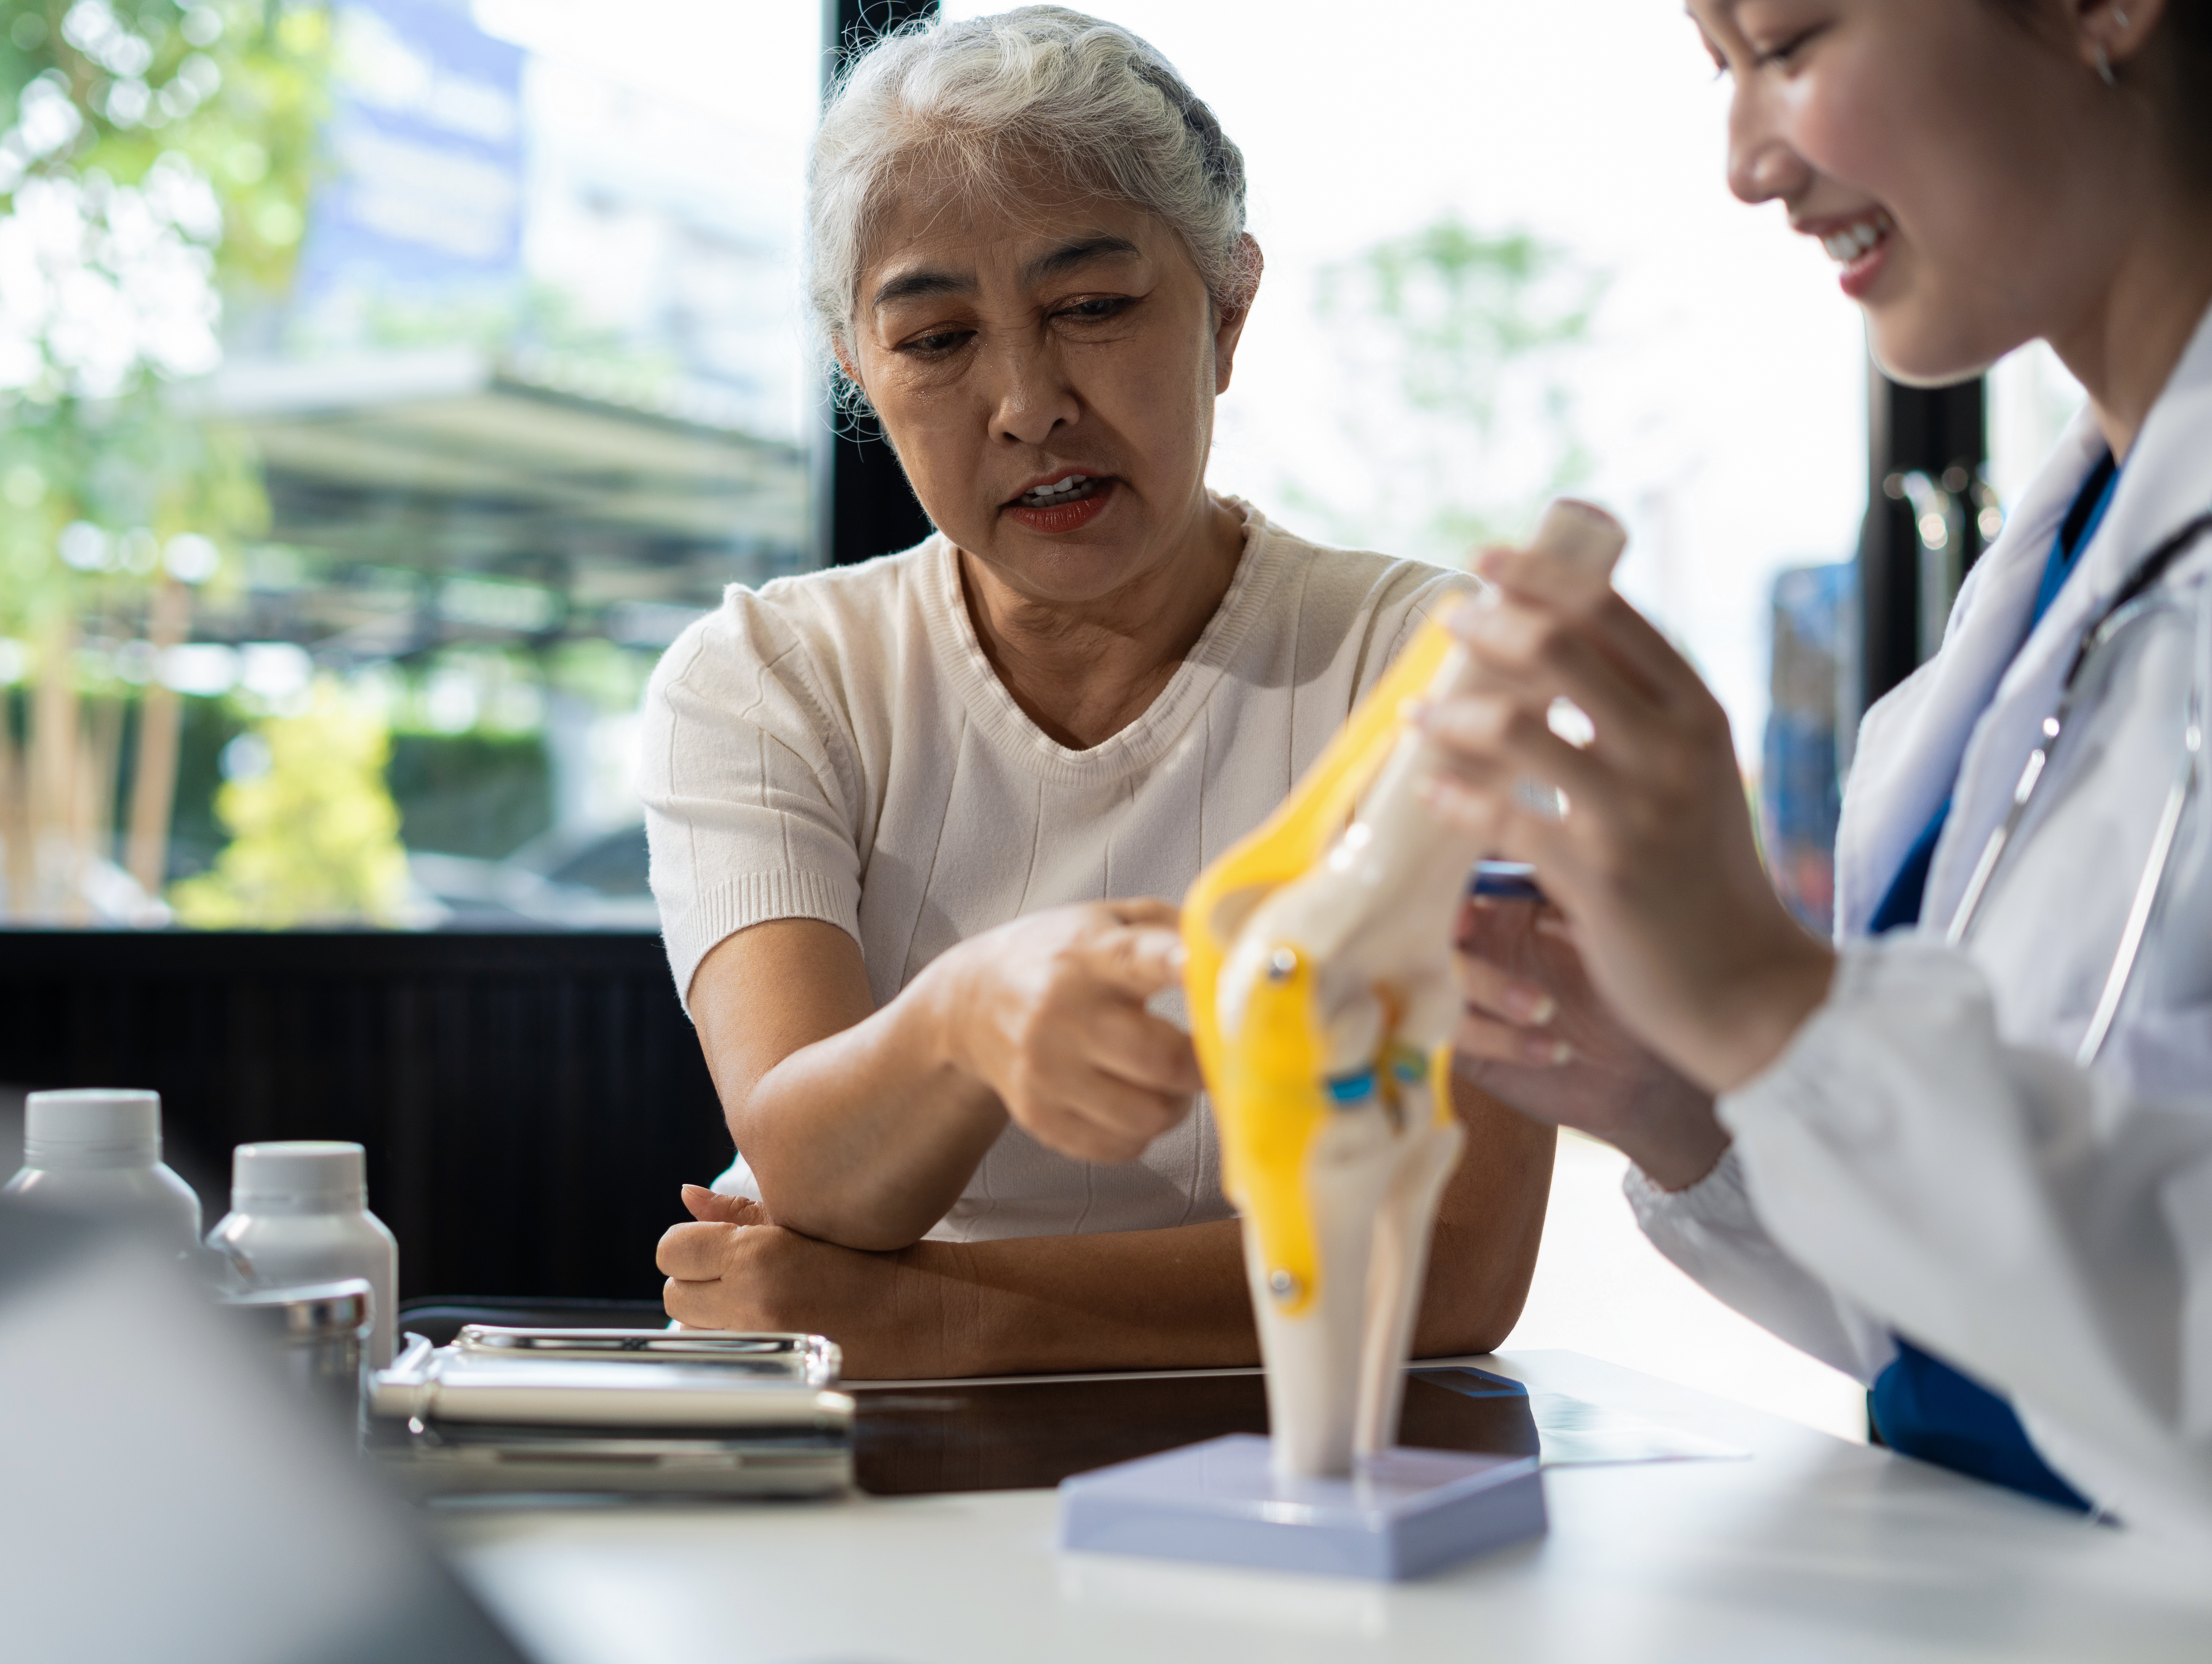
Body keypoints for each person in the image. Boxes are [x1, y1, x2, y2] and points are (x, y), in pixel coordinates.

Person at [639, 7, 1554, 1378]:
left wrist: (927, 1311)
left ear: (1228, 308)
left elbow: (1448, 1262)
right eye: (935, 338)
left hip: (1311, 1457)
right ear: (858, 371)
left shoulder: (1421, 664)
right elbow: (816, 1172)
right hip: (893, 1466)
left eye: (1092, 307)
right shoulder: (770, 678)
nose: (1026, 403)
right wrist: (967, 1011)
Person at [1427, 0, 2212, 1537]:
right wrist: (1691, 1094)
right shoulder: (2007, 637)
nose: (1742, 163)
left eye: (1785, 44)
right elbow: (1979, 1336)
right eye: (1718, 70)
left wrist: (1763, 999)